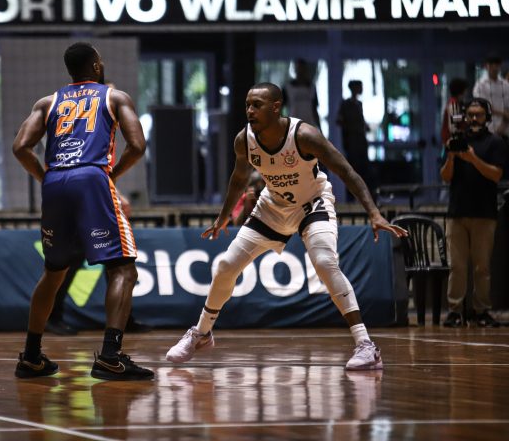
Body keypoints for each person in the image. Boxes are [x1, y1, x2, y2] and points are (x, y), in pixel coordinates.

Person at [165, 83, 407, 370]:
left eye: (257, 105)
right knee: (226, 265)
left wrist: (374, 213)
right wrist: (224, 216)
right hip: (273, 206)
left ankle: (366, 345)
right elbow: (239, 178)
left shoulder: (304, 135)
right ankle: (201, 334)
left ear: (276, 107)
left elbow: (346, 171)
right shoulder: (244, 140)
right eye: (247, 105)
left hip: (312, 203)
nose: (250, 111)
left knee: (324, 262)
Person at [12, 42, 153, 381]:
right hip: (91, 177)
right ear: (97, 65)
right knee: (123, 270)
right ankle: (110, 356)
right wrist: (111, 176)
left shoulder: (47, 102)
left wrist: (46, 177)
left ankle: (31, 356)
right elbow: (138, 146)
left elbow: (20, 147)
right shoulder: (114, 97)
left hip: (55, 181)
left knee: (54, 272)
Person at [46, 190, 153, 335]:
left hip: (100, 208)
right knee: (67, 267)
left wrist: (117, 194)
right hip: (79, 208)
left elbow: (103, 177)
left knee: (117, 266)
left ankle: (123, 320)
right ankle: (52, 317)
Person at [440, 98, 505, 328]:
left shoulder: (495, 142)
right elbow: (445, 177)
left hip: (484, 213)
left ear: (487, 117)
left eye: (479, 115)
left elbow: (496, 175)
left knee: (482, 267)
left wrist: (472, 159)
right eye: (470, 115)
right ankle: (455, 311)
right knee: (457, 266)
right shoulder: (456, 141)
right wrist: (451, 156)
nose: (474, 119)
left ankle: (481, 311)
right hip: (457, 213)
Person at [336, 80, 372, 201]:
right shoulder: (346, 104)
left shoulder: (359, 104)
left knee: (363, 170)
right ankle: (351, 198)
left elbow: (361, 120)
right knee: (352, 170)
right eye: (359, 87)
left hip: (361, 142)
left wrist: (364, 127)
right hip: (352, 143)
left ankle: (363, 197)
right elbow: (339, 121)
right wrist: (352, 128)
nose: (361, 89)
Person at [473, 54, 509, 139]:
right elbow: (484, 107)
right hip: (486, 130)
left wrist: (502, 127)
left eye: (496, 65)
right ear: (486, 66)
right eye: (491, 64)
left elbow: (507, 107)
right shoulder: (480, 85)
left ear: (500, 66)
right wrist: (503, 113)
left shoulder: (505, 85)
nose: (494, 67)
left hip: (504, 130)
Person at [282, 59, 320, 131]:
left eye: (302, 68)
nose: (301, 70)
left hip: (309, 125)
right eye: (299, 68)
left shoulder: (311, 87)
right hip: (293, 126)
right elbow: (280, 107)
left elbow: (314, 110)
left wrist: (319, 129)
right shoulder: (288, 88)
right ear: (295, 69)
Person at [440, 78, 469, 147]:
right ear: (461, 91)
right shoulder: (453, 105)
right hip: (452, 143)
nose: (466, 92)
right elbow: (453, 128)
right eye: (465, 90)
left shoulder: (458, 104)